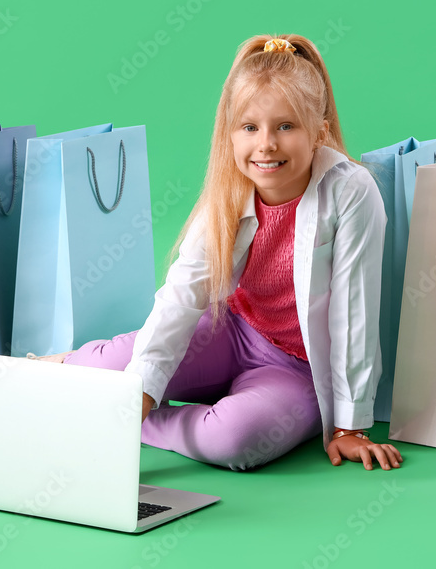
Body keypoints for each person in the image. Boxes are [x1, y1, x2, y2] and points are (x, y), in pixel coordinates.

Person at [39, 34, 402, 472]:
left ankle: (126, 420)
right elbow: (181, 297)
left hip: (295, 369)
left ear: (319, 132)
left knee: (235, 439)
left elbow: (354, 313)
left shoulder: (350, 191)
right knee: (118, 369)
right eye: (249, 127)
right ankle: (64, 368)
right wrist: (138, 392)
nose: (266, 144)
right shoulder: (229, 193)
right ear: (230, 134)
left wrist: (350, 426)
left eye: (286, 126)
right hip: (230, 332)